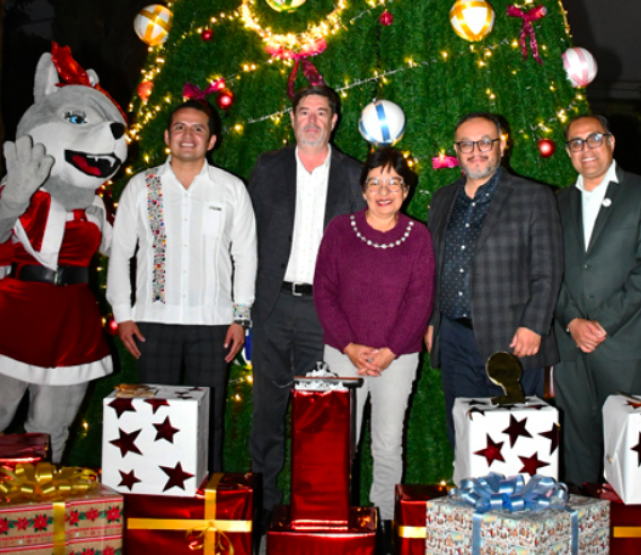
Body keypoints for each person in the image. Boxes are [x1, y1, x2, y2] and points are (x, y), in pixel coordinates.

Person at [107, 99, 256, 472]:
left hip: (214, 325)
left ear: (212, 140)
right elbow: (121, 252)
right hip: (152, 324)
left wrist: (240, 316)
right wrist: (123, 315)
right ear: (167, 136)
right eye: (180, 128)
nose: (188, 136)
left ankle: (208, 505)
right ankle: (157, 508)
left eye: (198, 129)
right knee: (152, 419)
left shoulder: (231, 189)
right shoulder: (142, 187)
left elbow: (246, 255)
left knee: (210, 421)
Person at [248, 85, 366, 520]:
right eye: (304, 112)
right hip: (274, 307)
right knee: (267, 409)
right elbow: (247, 237)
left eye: (322, 112)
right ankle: (264, 505)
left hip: (326, 312)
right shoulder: (267, 167)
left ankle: (312, 506)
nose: (312, 120)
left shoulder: (356, 174)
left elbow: (362, 246)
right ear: (292, 119)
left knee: (319, 413)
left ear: (334, 121)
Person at [314, 147, 434, 534]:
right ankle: (336, 519)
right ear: (363, 190)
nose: (384, 190)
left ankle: (381, 524)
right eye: (375, 182)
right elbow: (323, 291)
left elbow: (420, 302)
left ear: (407, 189)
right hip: (341, 355)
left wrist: (389, 352)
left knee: (386, 445)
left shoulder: (418, 237)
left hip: (396, 360)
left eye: (394, 182)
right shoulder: (338, 230)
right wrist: (349, 346)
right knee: (339, 446)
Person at [425, 112, 563, 448]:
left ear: (502, 145)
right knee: (463, 432)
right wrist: (431, 324)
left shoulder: (533, 196)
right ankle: (470, 496)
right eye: (467, 144)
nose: (476, 151)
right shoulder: (443, 199)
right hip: (454, 337)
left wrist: (534, 325)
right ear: (456, 150)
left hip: (512, 337)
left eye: (485, 142)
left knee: (514, 437)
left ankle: (515, 500)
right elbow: (433, 267)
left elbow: (549, 268)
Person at [553, 114, 641, 486]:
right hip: (570, 345)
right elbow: (547, 270)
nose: (585, 149)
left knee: (628, 444)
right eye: (576, 142)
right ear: (569, 151)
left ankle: (625, 530)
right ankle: (583, 519)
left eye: (594, 139)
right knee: (576, 442)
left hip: (624, 342)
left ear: (611, 142)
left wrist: (602, 324)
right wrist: (572, 321)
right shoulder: (556, 203)